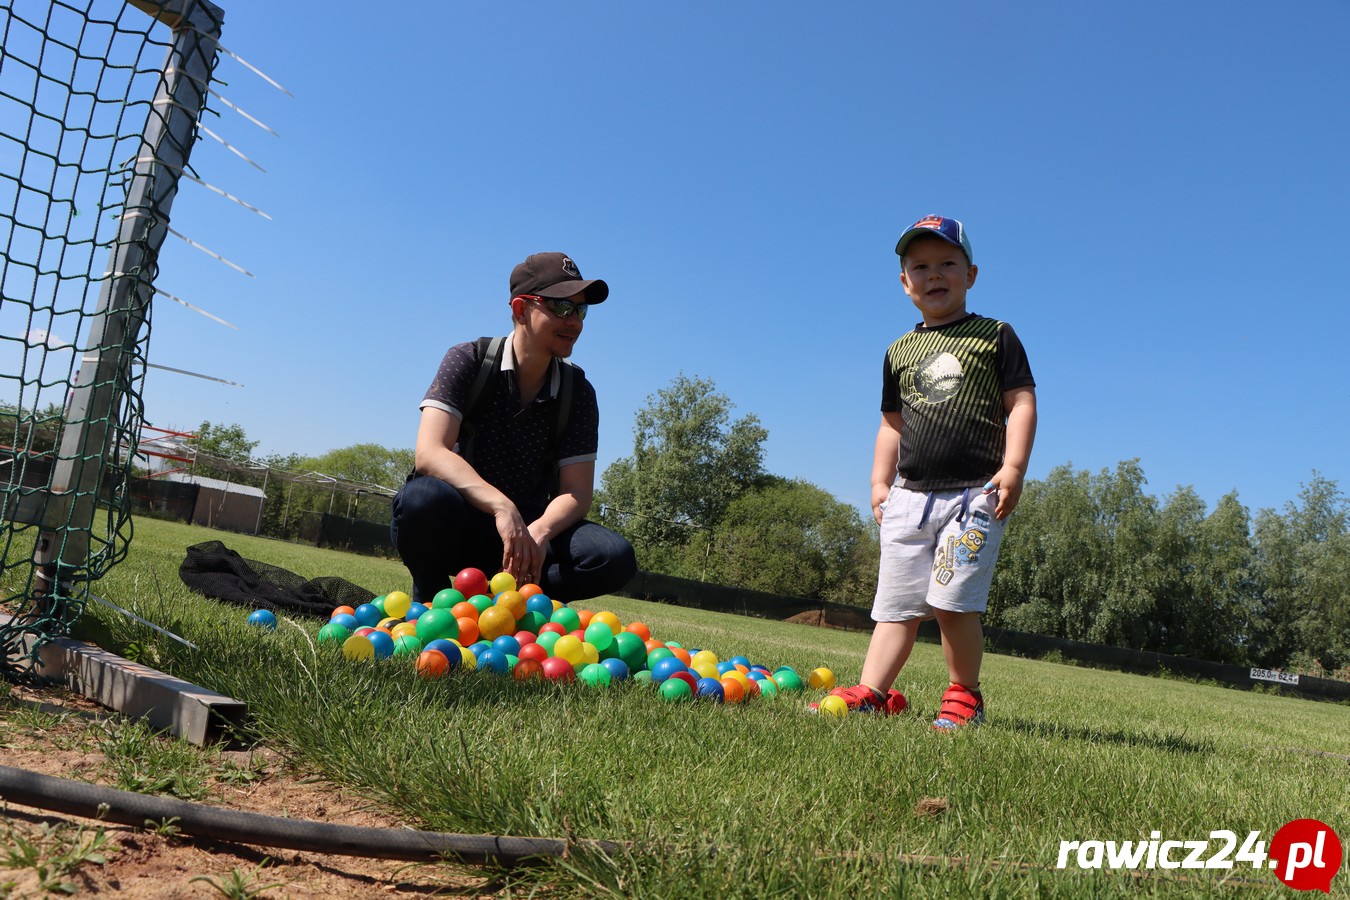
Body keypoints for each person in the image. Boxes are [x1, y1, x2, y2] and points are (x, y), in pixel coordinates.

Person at [821, 215, 1037, 730]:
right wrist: (879, 482)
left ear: (971, 274)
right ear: (904, 282)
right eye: (920, 266)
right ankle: (872, 691)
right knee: (894, 607)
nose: (934, 275)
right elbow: (891, 424)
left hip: (974, 495)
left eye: (947, 264)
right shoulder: (898, 351)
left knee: (952, 601)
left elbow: (1021, 402)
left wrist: (1013, 467)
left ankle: (965, 695)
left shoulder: (995, 335)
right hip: (908, 497)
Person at [390, 251, 637, 604]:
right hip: (461, 521)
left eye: (580, 310)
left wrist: (539, 530)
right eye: (561, 307)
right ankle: (433, 603)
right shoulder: (468, 359)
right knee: (422, 499)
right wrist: (501, 507)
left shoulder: (578, 392)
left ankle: (513, 606)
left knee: (613, 556)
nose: (575, 322)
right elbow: (430, 453)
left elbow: (577, 492)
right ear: (521, 309)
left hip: (528, 539)